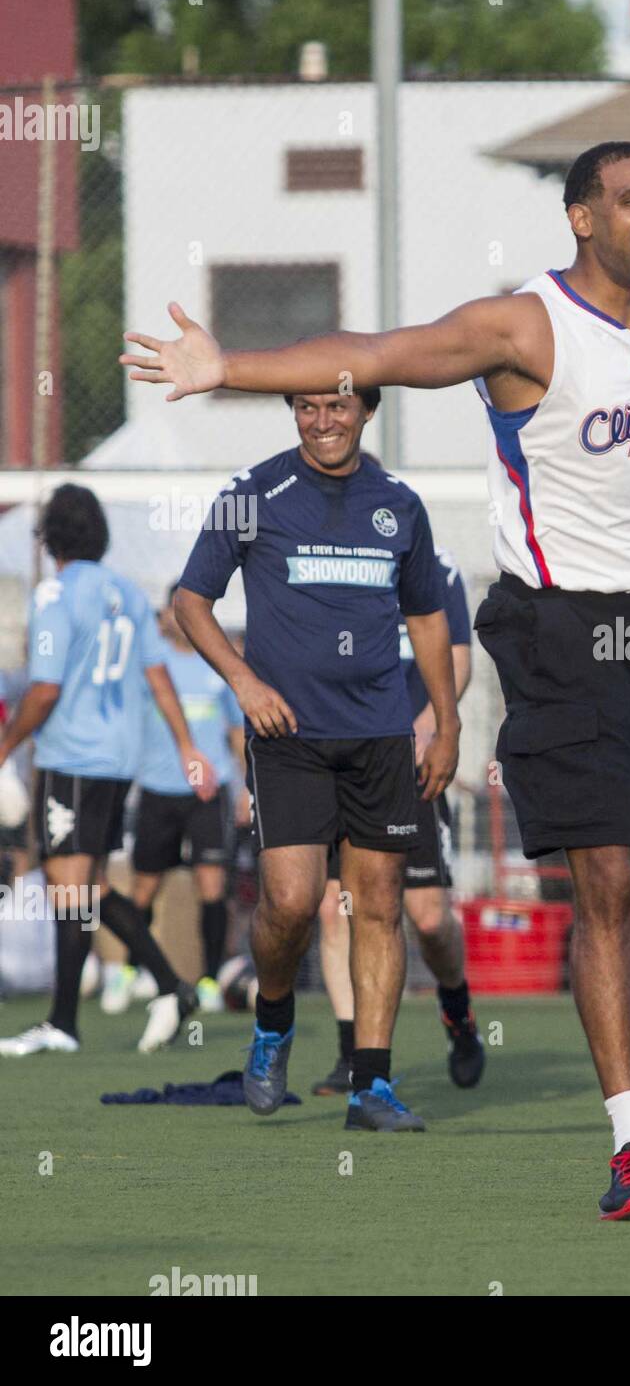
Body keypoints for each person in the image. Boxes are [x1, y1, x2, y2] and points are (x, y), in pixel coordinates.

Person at [121, 139, 630, 1217]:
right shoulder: (523, 326)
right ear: (580, 219)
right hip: (560, 631)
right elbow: (381, 349)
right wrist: (232, 369)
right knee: (599, 875)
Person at [170, 388, 460, 1133]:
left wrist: (447, 723)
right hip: (289, 737)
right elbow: (190, 600)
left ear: (368, 410)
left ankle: (373, 1085)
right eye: (305, 407)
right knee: (294, 903)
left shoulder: (401, 503)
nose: (321, 421)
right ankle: (272, 1025)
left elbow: (428, 616)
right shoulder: (253, 492)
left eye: (336, 407)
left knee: (381, 905)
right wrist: (244, 680)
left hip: (381, 738)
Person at [0, 485, 216, 1057]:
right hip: (118, 763)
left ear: (51, 538)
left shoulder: (55, 595)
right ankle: (155, 992)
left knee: (68, 887)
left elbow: (44, 690)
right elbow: (158, 675)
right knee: (88, 887)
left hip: (71, 757)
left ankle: (79, 1018)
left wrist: (5, 744)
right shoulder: (125, 592)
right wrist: (187, 745)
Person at [313, 544, 484, 1094]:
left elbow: (458, 661)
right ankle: (352, 1055)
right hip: (345, 761)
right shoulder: (328, 566)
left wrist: (427, 728)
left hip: (411, 765)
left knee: (429, 918)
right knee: (337, 910)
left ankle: (458, 1013)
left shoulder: (438, 570)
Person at [129, 581, 248, 1014]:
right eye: (175, 610)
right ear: (166, 615)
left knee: (212, 886)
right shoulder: (150, 667)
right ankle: (132, 971)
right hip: (157, 789)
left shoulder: (218, 665)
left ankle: (211, 980)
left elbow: (236, 733)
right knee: (144, 887)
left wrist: (245, 786)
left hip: (208, 794)